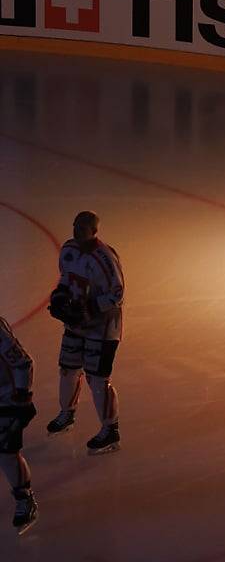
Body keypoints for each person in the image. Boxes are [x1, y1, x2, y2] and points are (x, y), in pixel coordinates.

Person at [45, 211, 125, 454]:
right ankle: (67, 413)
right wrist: (60, 296)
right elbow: (65, 279)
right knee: (68, 369)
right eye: (75, 226)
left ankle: (110, 429)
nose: (77, 231)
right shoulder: (68, 250)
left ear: (94, 231)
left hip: (102, 329)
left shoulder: (105, 258)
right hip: (76, 324)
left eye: (83, 228)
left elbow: (118, 294)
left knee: (97, 379)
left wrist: (91, 307)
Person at [0, 317, 37, 534]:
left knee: (6, 452)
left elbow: (22, 362)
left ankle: (24, 497)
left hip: (5, 400)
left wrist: (23, 397)